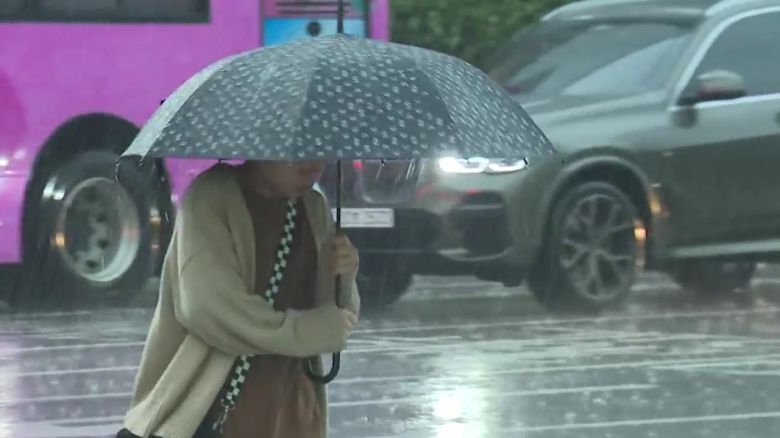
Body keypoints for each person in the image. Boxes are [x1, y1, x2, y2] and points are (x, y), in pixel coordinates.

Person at [117, 160, 360, 438]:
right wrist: (306, 331)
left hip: (292, 411)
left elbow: (334, 318)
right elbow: (209, 309)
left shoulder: (313, 206)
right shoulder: (212, 196)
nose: (314, 164)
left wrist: (341, 274)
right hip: (218, 408)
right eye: (299, 152)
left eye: (320, 150)